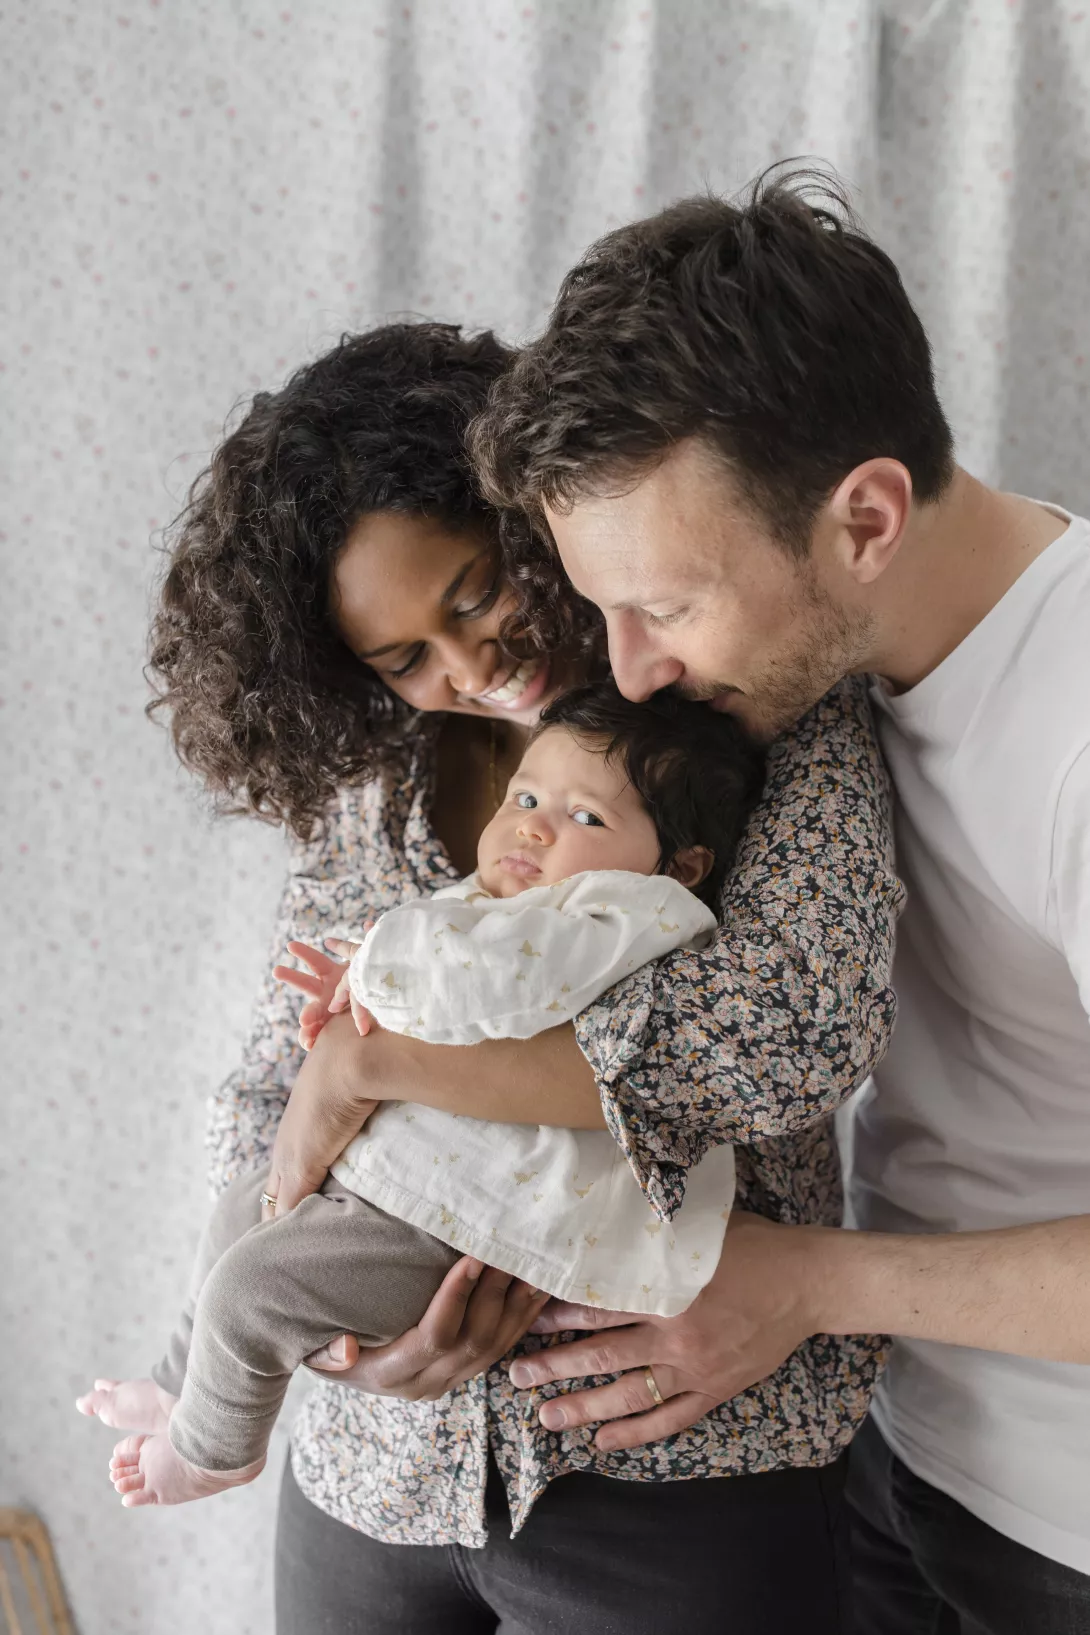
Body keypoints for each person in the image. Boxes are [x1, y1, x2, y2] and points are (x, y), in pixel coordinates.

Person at [132, 318, 902, 1633]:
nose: (471, 665)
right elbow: (273, 1077)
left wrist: (377, 1059)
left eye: (476, 590)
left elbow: (788, 1028)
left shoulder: (745, 698)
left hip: (677, 1447)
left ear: (534, 508)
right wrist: (326, 1338)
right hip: (374, 1475)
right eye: (406, 658)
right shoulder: (379, 798)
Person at [464, 168, 1090, 1633]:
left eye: (664, 607)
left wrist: (802, 1281)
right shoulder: (835, 668)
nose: (627, 672)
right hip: (890, 1453)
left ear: (864, 516)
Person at [78, 684, 760, 1507]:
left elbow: (499, 983)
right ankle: (180, 1382)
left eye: (587, 818)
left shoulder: (630, 910)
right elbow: (426, 976)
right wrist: (356, 985)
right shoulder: (501, 885)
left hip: (461, 1220)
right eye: (529, 797)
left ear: (680, 862)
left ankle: (214, 1450)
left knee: (251, 1290)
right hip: (408, 1189)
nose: (537, 824)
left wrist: (372, 974)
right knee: (238, 1215)